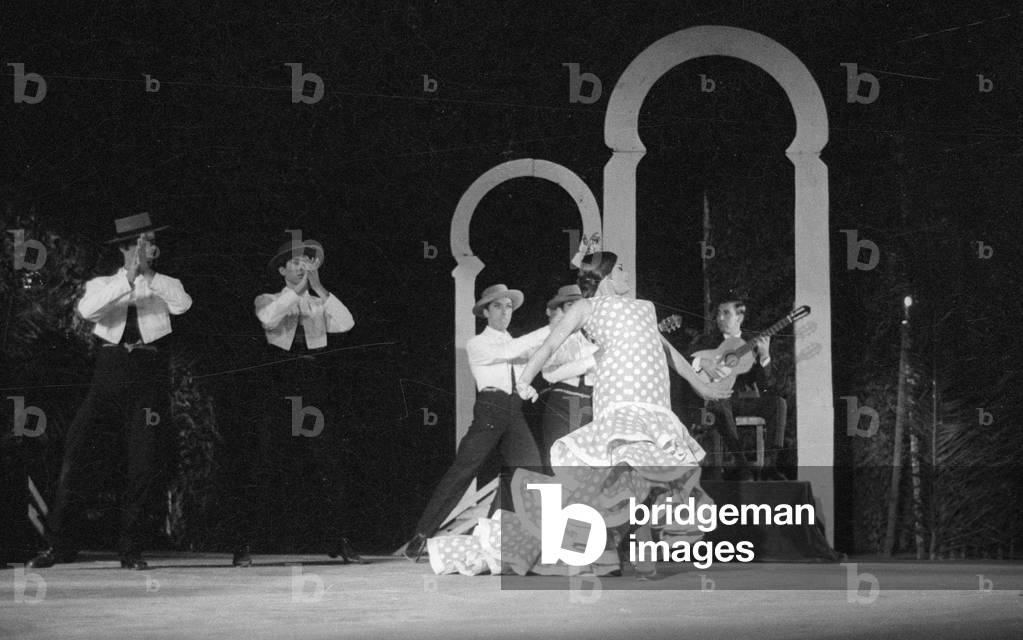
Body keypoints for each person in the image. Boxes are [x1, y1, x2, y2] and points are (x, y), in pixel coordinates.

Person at [510, 249, 731, 575]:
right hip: (621, 398)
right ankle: (579, 549)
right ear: (607, 274)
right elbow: (549, 344)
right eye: (622, 269)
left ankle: (620, 555)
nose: (628, 274)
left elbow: (668, 351)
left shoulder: (645, 308)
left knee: (644, 478)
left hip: (655, 403)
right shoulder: (587, 307)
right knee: (618, 474)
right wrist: (526, 379)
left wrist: (702, 385)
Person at [29, 212, 192, 570]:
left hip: (146, 378)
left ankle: (130, 549)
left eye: (151, 240)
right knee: (77, 456)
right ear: (125, 248)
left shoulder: (168, 282)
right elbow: (87, 311)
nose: (150, 246)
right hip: (108, 377)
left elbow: (182, 305)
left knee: (143, 464)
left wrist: (147, 278)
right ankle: (59, 546)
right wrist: (128, 279)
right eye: (143, 241)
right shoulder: (101, 284)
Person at [233, 237, 360, 566]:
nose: (301, 266)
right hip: (278, 381)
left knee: (327, 461)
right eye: (294, 263)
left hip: (311, 383)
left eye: (306, 262)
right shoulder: (270, 297)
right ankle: (245, 544)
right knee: (264, 461)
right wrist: (298, 290)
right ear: (281, 270)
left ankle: (340, 540)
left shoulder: (318, 303)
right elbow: (269, 319)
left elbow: (346, 323)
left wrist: (319, 288)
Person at [402, 284, 549, 561]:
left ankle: (496, 533)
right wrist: (555, 327)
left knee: (530, 470)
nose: (505, 312)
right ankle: (421, 535)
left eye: (508, 307)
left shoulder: (514, 344)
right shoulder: (477, 343)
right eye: (497, 306)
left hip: (513, 411)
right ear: (485, 312)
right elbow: (512, 351)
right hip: (490, 411)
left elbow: (521, 371)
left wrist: (526, 388)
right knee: (463, 471)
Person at [690, 299, 788, 481]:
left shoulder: (752, 343)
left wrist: (765, 356)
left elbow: (767, 386)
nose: (719, 318)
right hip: (718, 398)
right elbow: (687, 359)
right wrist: (702, 362)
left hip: (744, 400)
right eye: (718, 313)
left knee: (778, 403)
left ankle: (769, 466)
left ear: (740, 317)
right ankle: (743, 467)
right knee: (719, 402)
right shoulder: (709, 340)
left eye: (726, 313)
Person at [538, 284, 597, 471]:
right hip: (563, 400)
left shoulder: (594, 333)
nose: (575, 310)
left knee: (588, 463)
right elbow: (548, 372)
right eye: (570, 305)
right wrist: (591, 361)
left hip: (590, 402)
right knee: (560, 462)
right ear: (561, 309)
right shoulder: (556, 334)